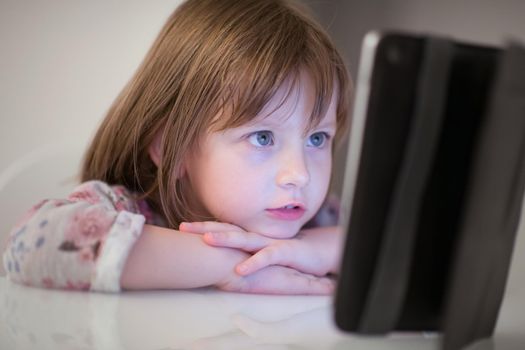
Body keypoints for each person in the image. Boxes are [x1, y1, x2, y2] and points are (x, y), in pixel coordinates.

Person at [2, 0, 351, 294]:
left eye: (316, 138)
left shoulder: (321, 219)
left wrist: (325, 248)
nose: (300, 174)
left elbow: (403, 253)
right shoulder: (131, 210)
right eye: (262, 137)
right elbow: (29, 244)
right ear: (172, 148)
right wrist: (236, 265)